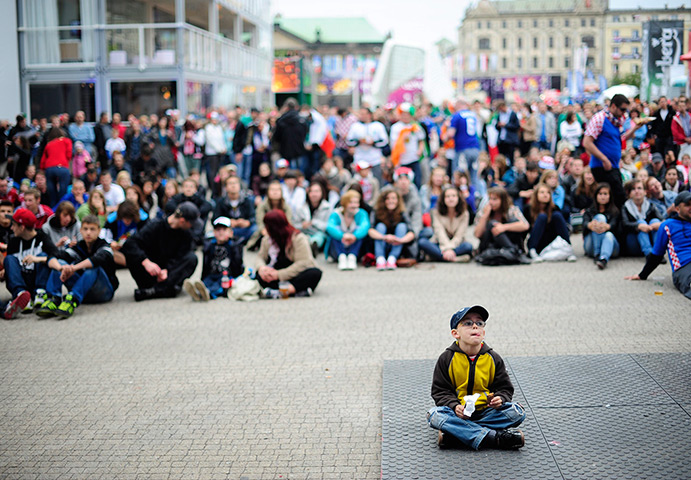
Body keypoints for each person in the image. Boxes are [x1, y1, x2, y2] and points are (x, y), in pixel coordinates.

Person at [427, 305, 526, 450]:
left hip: (487, 412)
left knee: (517, 411)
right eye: (467, 323)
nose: (475, 327)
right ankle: (493, 437)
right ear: (455, 333)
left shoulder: (493, 358)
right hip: (458, 414)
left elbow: (504, 388)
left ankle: (458, 434)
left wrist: (500, 399)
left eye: (479, 323)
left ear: (483, 332)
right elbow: (440, 392)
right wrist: (455, 406)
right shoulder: (446, 358)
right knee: (434, 415)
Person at [35, 215, 118, 318]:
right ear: (81, 230)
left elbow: (96, 260)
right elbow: (55, 256)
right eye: (85, 229)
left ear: (99, 231)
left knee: (93, 267)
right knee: (61, 262)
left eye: (92, 229)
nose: (88, 232)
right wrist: (62, 268)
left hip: (103, 292)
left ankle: (71, 300)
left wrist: (73, 268)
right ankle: (54, 298)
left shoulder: (105, 246)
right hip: (83, 292)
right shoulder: (78, 247)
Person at [121, 202, 199, 301]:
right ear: (182, 221)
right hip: (149, 271)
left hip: (168, 276)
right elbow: (129, 244)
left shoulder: (187, 234)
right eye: (191, 223)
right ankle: (164, 290)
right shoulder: (155, 226)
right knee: (132, 253)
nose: (192, 226)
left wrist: (167, 270)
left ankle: (155, 291)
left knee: (192, 258)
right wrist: (146, 262)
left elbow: (181, 256)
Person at [583, 94, 645, 208]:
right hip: (602, 167)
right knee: (618, 198)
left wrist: (636, 127)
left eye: (626, 110)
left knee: (615, 200)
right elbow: (587, 142)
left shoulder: (617, 121)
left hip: (613, 165)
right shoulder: (600, 118)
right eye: (622, 109)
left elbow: (622, 138)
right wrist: (604, 159)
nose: (624, 112)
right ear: (613, 106)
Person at [626, 191, 691, 300]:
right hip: (684, 267)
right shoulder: (668, 225)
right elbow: (657, 254)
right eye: (687, 205)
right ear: (677, 209)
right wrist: (642, 275)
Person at [2, 208, 60, 318]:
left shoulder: (42, 237)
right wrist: (6, 270)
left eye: (14, 225)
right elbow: (12, 264)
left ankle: (40, 292)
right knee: (9, 259)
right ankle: (21, 295)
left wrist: (37, 259)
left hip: (37, 278)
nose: (11, 228)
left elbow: (57, 254)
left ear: (22, 227)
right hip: (22, 279)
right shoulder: (14, 241)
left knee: (43, 256)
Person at [256, 210, 322, 299]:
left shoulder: (298, 238)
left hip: (294, 273)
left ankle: (288, 290)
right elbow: (260, 257)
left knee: (314, 273)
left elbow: (303, 262)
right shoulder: (267, 239)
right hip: (275, 273)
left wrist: (279, 274)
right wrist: (262, 269)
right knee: (258, 275)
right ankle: (297, 291)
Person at [184, 217, 244, 301]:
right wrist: (203, 277)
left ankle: (207, 293)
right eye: (218, 230)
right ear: (214, 232)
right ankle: (197, 291)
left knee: (218, 285)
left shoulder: (233, 246)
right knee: (206, 282)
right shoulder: (210, 245)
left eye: (224, 230)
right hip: (212, 274)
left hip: (226, 276)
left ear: (231, 233)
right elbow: (206, 264)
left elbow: (238, 264)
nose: (221, 232)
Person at [419, 185, 473, 262]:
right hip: (440, 244)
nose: (451, 199)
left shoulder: (464, 214)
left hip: (456, 245)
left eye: (454, 196)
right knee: (422, 242)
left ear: (458, 198)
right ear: (443, 199)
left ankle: (440, 257)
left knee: (468, 246)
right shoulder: (436, 212)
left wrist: (450, 249)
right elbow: (439, 232)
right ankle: (454, 259)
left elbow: (460, 235)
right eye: (447, 196)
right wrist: (446, 249)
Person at [524, 183, 575, 262]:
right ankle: (532, 250)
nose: (545, 195)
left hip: (552, 241)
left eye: (548, 193)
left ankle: (568, 247)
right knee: (542, 217)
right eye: (542, 192)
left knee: (557, 215)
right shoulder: (528, 208)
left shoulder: (554, 208)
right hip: (537, 241)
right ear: (536, 194)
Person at [368, 187, 415, 270]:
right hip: (381, 243)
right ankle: (380, 259)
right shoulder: (376, 212)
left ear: (398, 200)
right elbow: (370, 231)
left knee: (402, 226)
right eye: (388, 199)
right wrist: (384, 237)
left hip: (396, 245)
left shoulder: (402, 212)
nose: (391, 201)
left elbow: (411, 233)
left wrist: (400, 240)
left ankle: (392, 259)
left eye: (393, 198)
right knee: (380, 226)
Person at [474, 187, 530, 255]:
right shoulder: (484, 211)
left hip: (507, 241)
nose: (491, 202)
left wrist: (504, 227)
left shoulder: (511, 209)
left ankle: (511, 249)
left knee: (514, 221)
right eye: (490, 199)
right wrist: (485, 216)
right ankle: (512, 250)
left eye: (494, 199)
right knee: (492, 224)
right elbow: (477, 234)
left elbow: (525, 225)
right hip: (489, 245)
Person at [325, 189, 370, 270]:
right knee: (335, 231)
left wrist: (354, 236)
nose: (354, 205)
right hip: (339, 245)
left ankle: (352, 257)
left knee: (359, 231)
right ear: (345, 203)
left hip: (354, 245)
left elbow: (365, 226)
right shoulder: (336, 213)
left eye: (356, 202)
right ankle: (341, 257)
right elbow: (330, 227)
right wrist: (342, 236)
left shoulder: (361, 213)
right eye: (351, 202)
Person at [583, 183, 621, 270]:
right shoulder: (589, 211)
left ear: (610, 196)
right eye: (600, 194)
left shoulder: (615, 212)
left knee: (609, 235)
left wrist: (608, 227)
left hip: (611, 246)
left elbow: (618, 229)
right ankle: (597, 254)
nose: (602, 197)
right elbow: (584, 225)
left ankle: (603, 259)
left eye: (605, 194)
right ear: (596, 196)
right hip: (591, 246)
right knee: (599, 219)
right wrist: (590, 225)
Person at [346, 106, 389, 182]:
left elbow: (384, 142)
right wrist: (359, 141)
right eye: (361, 114)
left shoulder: (378, 125)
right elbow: (349, 141)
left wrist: (373, 143)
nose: (362, 116)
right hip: (359, 158)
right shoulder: (355, 126)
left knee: (376, 181)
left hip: (374, 159)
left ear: (369, 115)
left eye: (364, 114)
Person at [621, 179, 661, 257]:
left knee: (655, 221)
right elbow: (624, 225)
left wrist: (655, 225)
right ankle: (649, 255)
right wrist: (638, 226)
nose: (637, 191)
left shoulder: (650, 205)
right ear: (629, 193)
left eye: (639, 188)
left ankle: (657, 253)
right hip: (633, 243)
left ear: (645, 192)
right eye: (633, 189)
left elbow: (663, 220)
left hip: (650, 239)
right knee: (641, 222)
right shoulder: (625, 207)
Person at [247, 180, 291, 250]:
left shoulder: (286, 207)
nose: (275, 192)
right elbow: (260, 222)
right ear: (268, 192)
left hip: (281, 231)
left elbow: (288, 223)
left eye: (277, 190)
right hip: (266, 231)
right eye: (272, 190)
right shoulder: (262, 205)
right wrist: (264, 230)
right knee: (256, 229)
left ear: (281, 192)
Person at [390, 103, 425, 188]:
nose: (405, 117)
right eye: (403, 114)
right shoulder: (396, 127)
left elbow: (421, 140)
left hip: (413, 159)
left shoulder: (415, 126)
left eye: (407, 114)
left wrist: (420, 150)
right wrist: (402, 137)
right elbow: (394, 144)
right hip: (401, 160)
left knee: (417, 181)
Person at [213, 175, 256, 245]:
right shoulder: (221, 202)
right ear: (226, 187)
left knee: (254, 229)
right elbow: (215, 219)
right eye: (230, 183)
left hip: (244, 229)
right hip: (228, 229)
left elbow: (253, 217)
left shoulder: (247, 200)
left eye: (235, 183)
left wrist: (247, 222)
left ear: (240, 186)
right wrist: (228, 222)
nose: (233, 186)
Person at [101, 200, 144, 266]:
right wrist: (111, 243)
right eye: (125, 218)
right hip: (117, 250)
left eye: (130, 218)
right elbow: (104, 237)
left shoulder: (143, 219)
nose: (127, 221)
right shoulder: (112, 220)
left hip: (135, 250)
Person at [294, 181, 332, 255]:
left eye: (317, 191)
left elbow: (328, 226)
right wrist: (302, 225)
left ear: (322, 193)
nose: (314, 194)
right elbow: (294, 224)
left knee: (319, 237)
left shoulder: (327, 207)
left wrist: (314, 222)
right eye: (312, 192)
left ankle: (312, 247)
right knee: (301, 237)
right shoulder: (300, 207)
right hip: (304, 232)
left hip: (319, 233)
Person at [40, 127, 72, 207]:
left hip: (49, 168)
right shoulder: (66, 141)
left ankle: (53, 210)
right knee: (63, 191)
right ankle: (62, 207)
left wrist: (43, 170)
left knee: (52, 194)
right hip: (62, 168)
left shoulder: (49, 144)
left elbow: (43, 160)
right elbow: (69, 155)